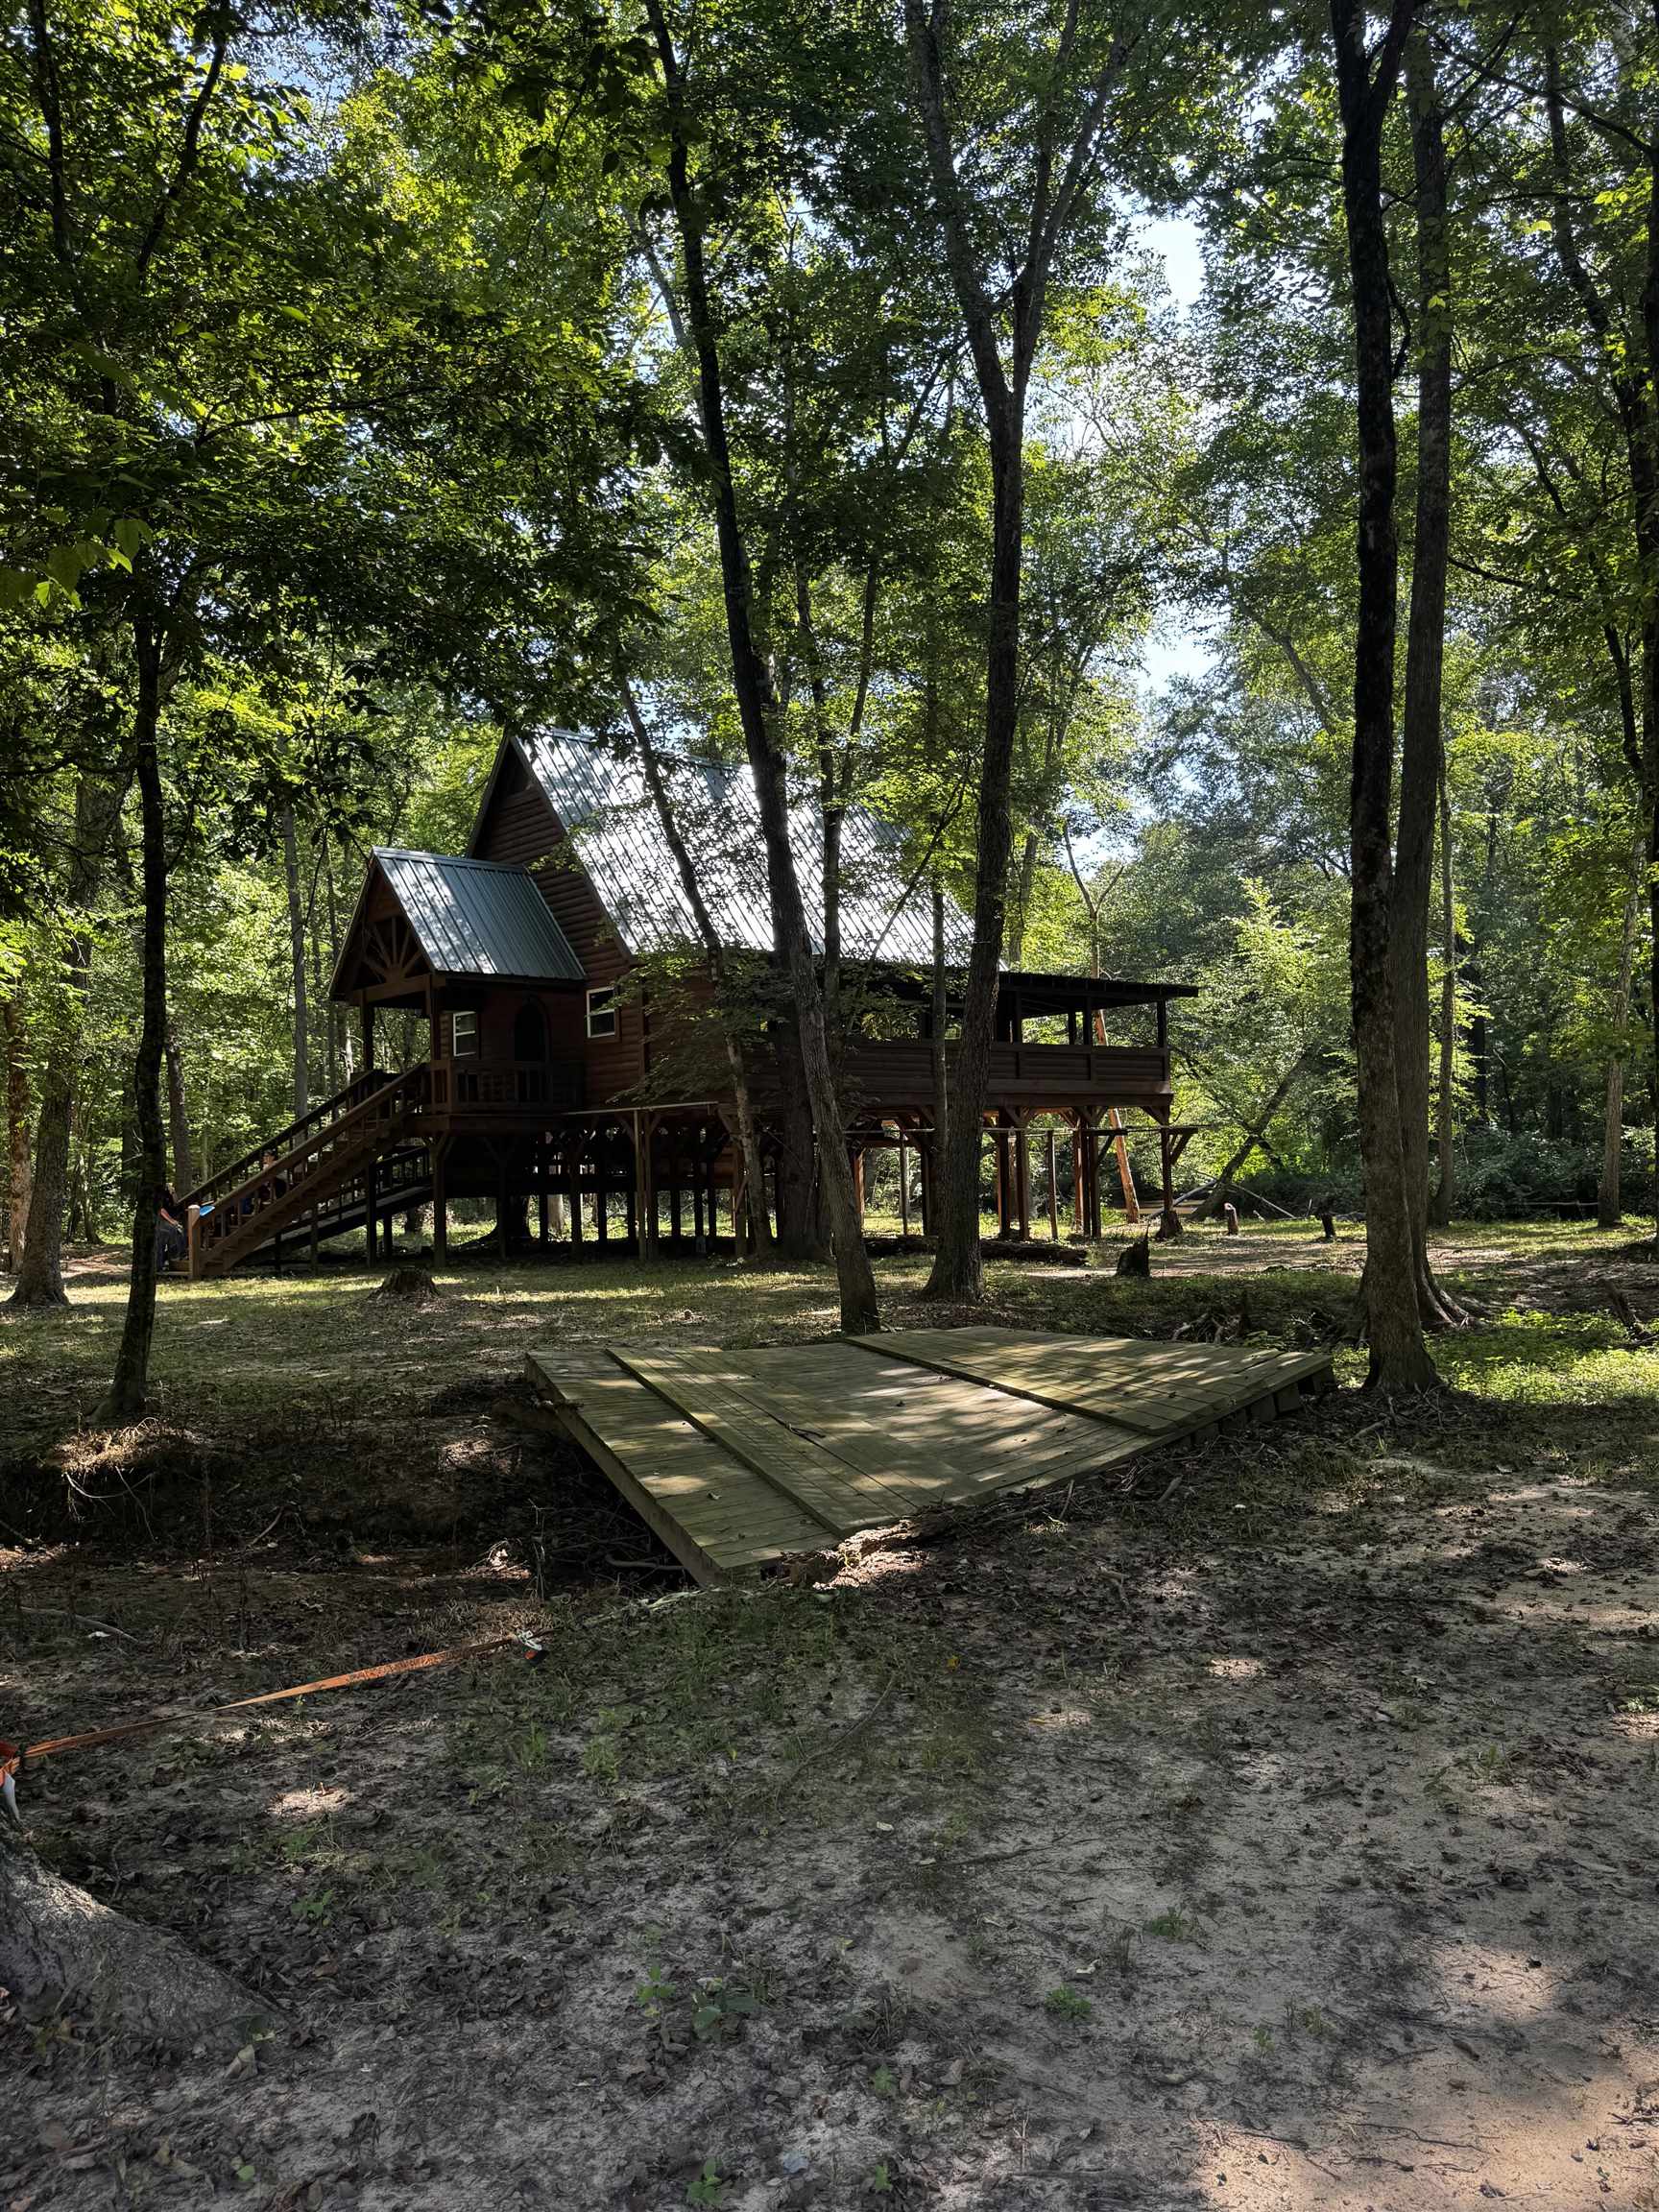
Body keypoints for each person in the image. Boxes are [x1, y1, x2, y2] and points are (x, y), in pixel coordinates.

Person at [156, 1190, 186, 1273]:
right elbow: (161, 1210)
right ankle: (171, 1259)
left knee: (180, 1231)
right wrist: (172, 1221)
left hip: (169, 1221)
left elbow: (176, 1203)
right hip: (160, 1221)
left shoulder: (169, 1193)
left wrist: (173, 1193)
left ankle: (178, 1256)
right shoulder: (159, 1194)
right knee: (173, 1231)